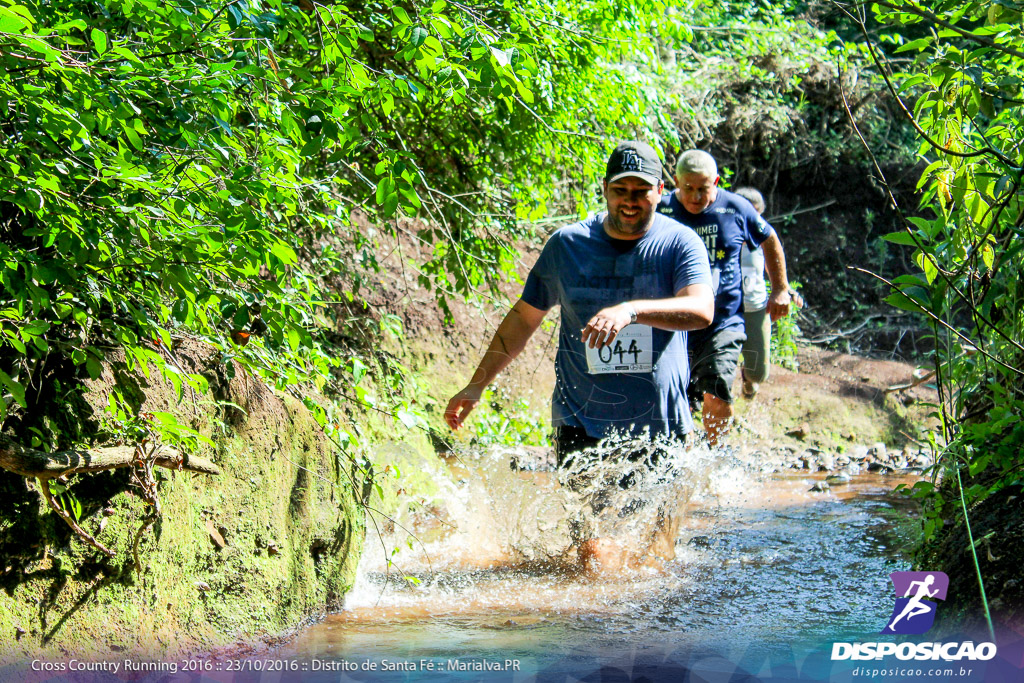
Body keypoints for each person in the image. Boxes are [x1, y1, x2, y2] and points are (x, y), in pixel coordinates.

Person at [444, 140, 714, 569]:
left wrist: (631, 310)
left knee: (657, 561)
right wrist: (476, 386)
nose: (630, 201)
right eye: (620, 190)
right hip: (582, 422)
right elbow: (521, 321)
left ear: (659, 191)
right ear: (605, 190)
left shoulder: (680, 244)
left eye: (640, 191)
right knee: (591, 562)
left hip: (661, 423)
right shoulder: (567, 246)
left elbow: (701, 311)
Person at [657, 150, 796, 446]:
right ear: (676, 182)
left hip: (723, 321)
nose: (695, 197)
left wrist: (781, 288)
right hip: (669, 322)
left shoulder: (736, 208)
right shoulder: (661, 209)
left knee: (717, 391)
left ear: (716, 182)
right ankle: (676, 453)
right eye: (688, 188)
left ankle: (714, 456)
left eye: (703, 189)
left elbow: (769, 238)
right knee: (667, 394)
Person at [734, 187, 804, 400]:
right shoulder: (722, 234)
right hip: (724, 307)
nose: (751, 220)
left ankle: (748, 376)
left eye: (757, 214)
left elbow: (772, 267)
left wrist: (786, 291)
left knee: (759, 373)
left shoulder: (763, 237)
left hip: (755, 306)